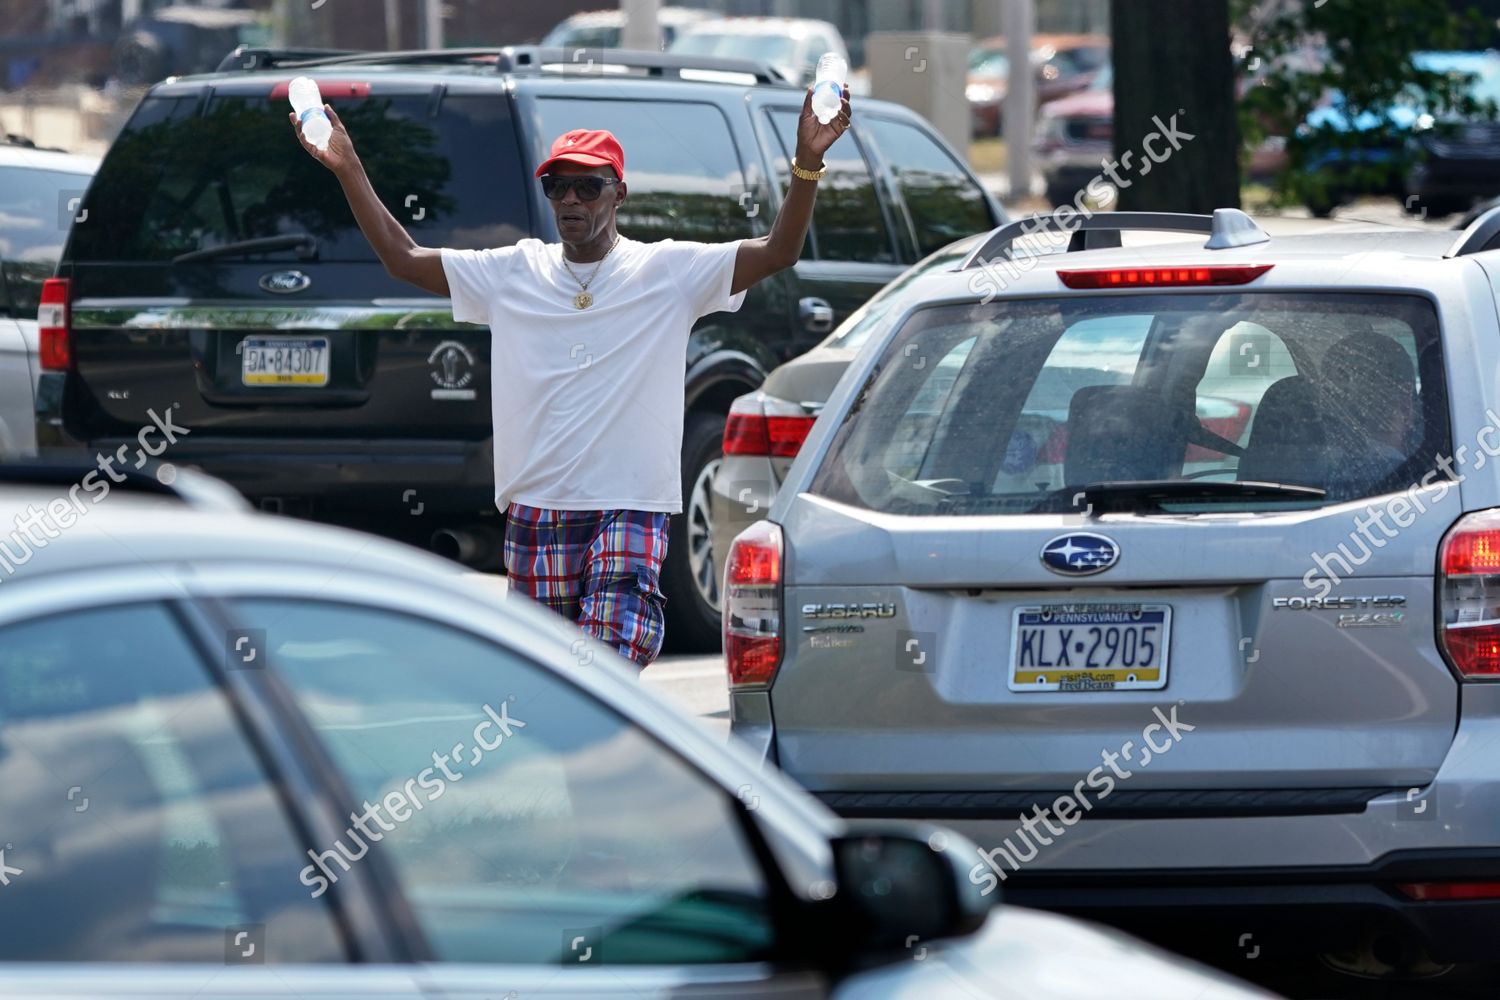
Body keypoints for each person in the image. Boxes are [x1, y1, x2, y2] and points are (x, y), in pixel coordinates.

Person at [291, 82, 853, 668]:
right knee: (553, 684)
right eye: (559, 186)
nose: (572, 200)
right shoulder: (512, 272)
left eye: (589, 185)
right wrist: (348, 167)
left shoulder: (668, 271)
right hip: (536, 508)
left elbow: (778, 251)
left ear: (619, 194)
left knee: (606, 661)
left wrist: (808, 164)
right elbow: (403, 259)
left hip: (629, 504)